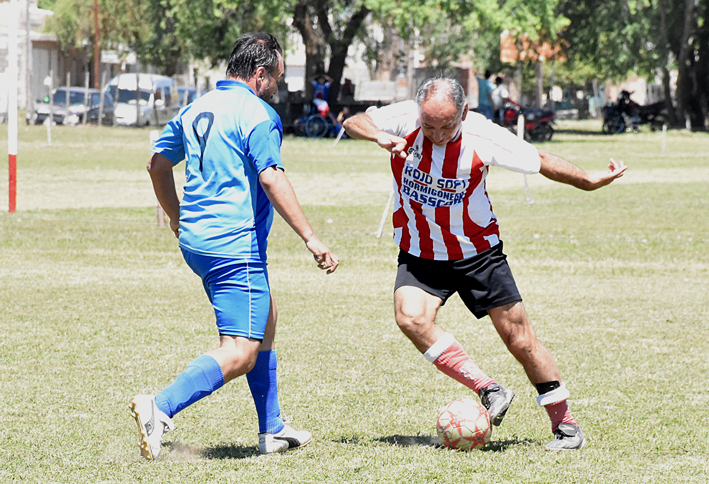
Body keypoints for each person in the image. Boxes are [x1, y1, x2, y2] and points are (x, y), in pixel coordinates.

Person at [342, 77, 626, 451]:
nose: (438, 134)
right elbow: (353, 120)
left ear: (463, 112)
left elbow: (539, 160)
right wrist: (377, 135)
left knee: (520, 340)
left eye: (448, 125)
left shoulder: (483, 135)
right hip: (421, 253)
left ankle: (566, 425)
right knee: (410, 317)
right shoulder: (405, 117)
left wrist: (589, 180)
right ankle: (490, 389)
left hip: (478, 253)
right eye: (429, 126)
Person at [129, 32, 340, 460]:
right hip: (232, 243)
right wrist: (311, 238)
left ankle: (273, 429)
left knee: (266, 318)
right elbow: (271, 177)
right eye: (276, 79)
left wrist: (175, 215)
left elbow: (157, 165)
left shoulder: (195, 108)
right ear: (259, 75)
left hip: (198, 241)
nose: (278, 88)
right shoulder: (258, 114)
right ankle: (160, 408)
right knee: (241, 351)